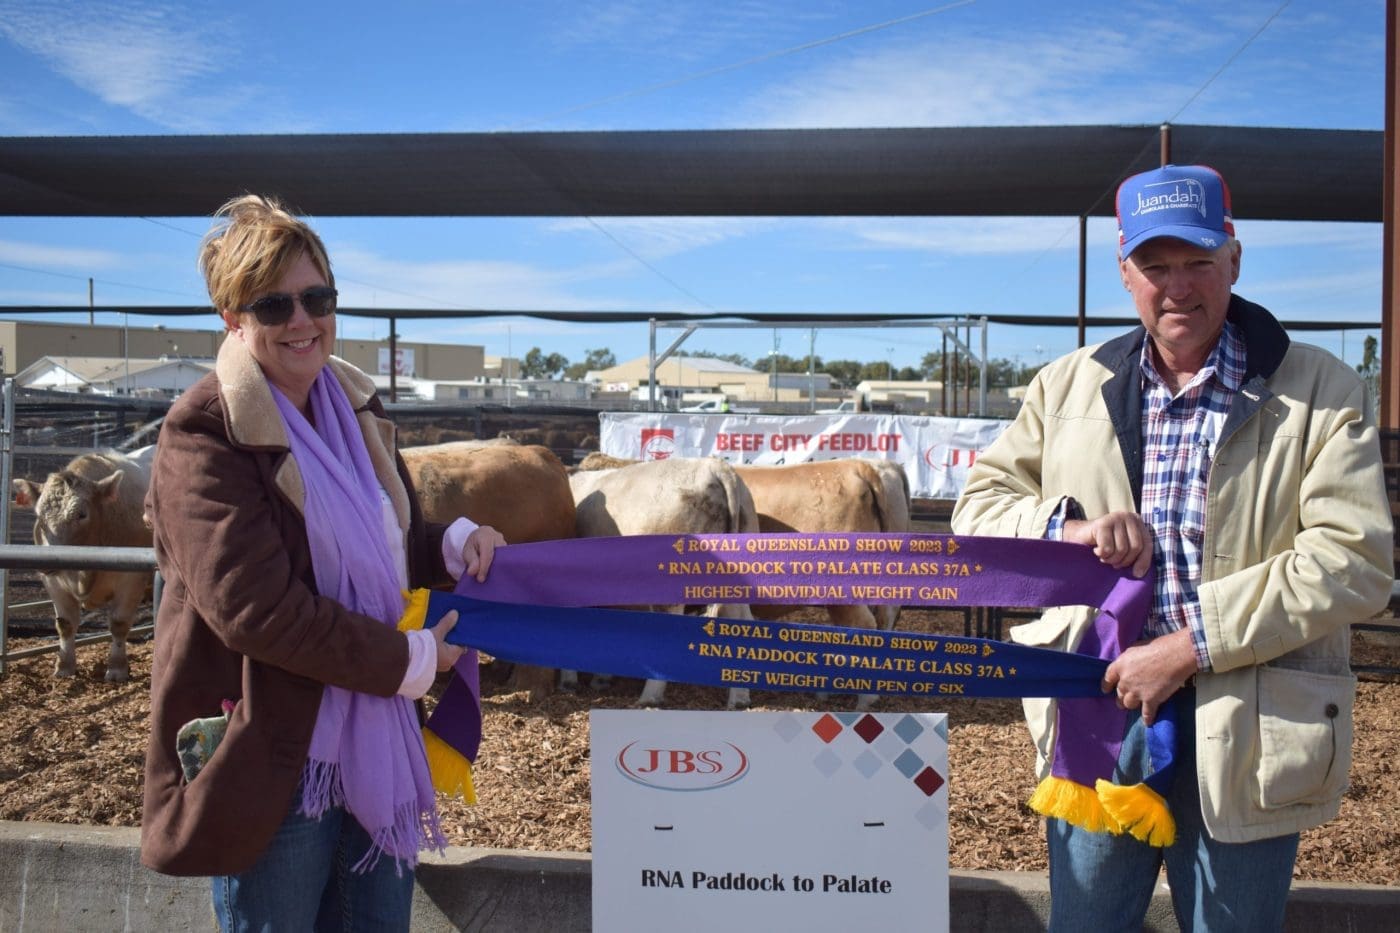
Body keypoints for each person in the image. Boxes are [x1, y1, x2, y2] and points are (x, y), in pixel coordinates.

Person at [952, 164, 1393, 931]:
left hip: (1249, 721)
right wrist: (1068, 527)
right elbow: (976, 511)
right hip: (1100, 714)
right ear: (1126, 274)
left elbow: (1354, 562)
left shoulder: (1320, 390)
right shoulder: (1068, 386)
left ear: (1234, 259)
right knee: (1086, 921)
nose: (1177, 286)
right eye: (1155, 267)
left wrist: (1193, 644)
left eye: (1197, 261)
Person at [140, 194, 507, 931]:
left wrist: (450, 540)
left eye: (318, 296)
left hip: (368, 740)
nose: (302, 320)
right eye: (273, 304)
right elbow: (259, 610)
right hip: (274, 758)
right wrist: (408, 661)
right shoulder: (204, 434)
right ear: (232, 318)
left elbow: (379, 538)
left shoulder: (349, 407)